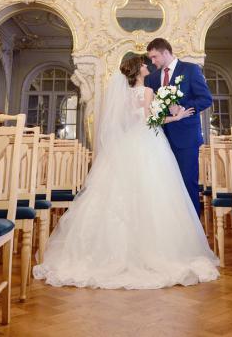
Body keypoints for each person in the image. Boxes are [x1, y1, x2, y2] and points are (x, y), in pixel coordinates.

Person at [32, 56, 220, 289]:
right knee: (155, 191)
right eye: (143, 65)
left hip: (129, 142)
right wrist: (177, 116)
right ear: (137, 71)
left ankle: (108, 251)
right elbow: (152, 120)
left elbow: (129, 121)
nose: (147, 67)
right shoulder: (148, 91)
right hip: (149, 142)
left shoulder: (124, 96)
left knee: (119, 192)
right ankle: (154, 249)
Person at [143, 38, 212, 216]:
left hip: (186, 139)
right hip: (159, 140)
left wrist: (182, 107)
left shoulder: (190, 70)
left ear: (166, 52)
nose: (152, 62)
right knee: (164, 186)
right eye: (151, 58)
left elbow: (205, 99)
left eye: (154, 57)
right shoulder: (151, 78)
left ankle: (193, 233)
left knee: (188, 183)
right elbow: (149, 108)